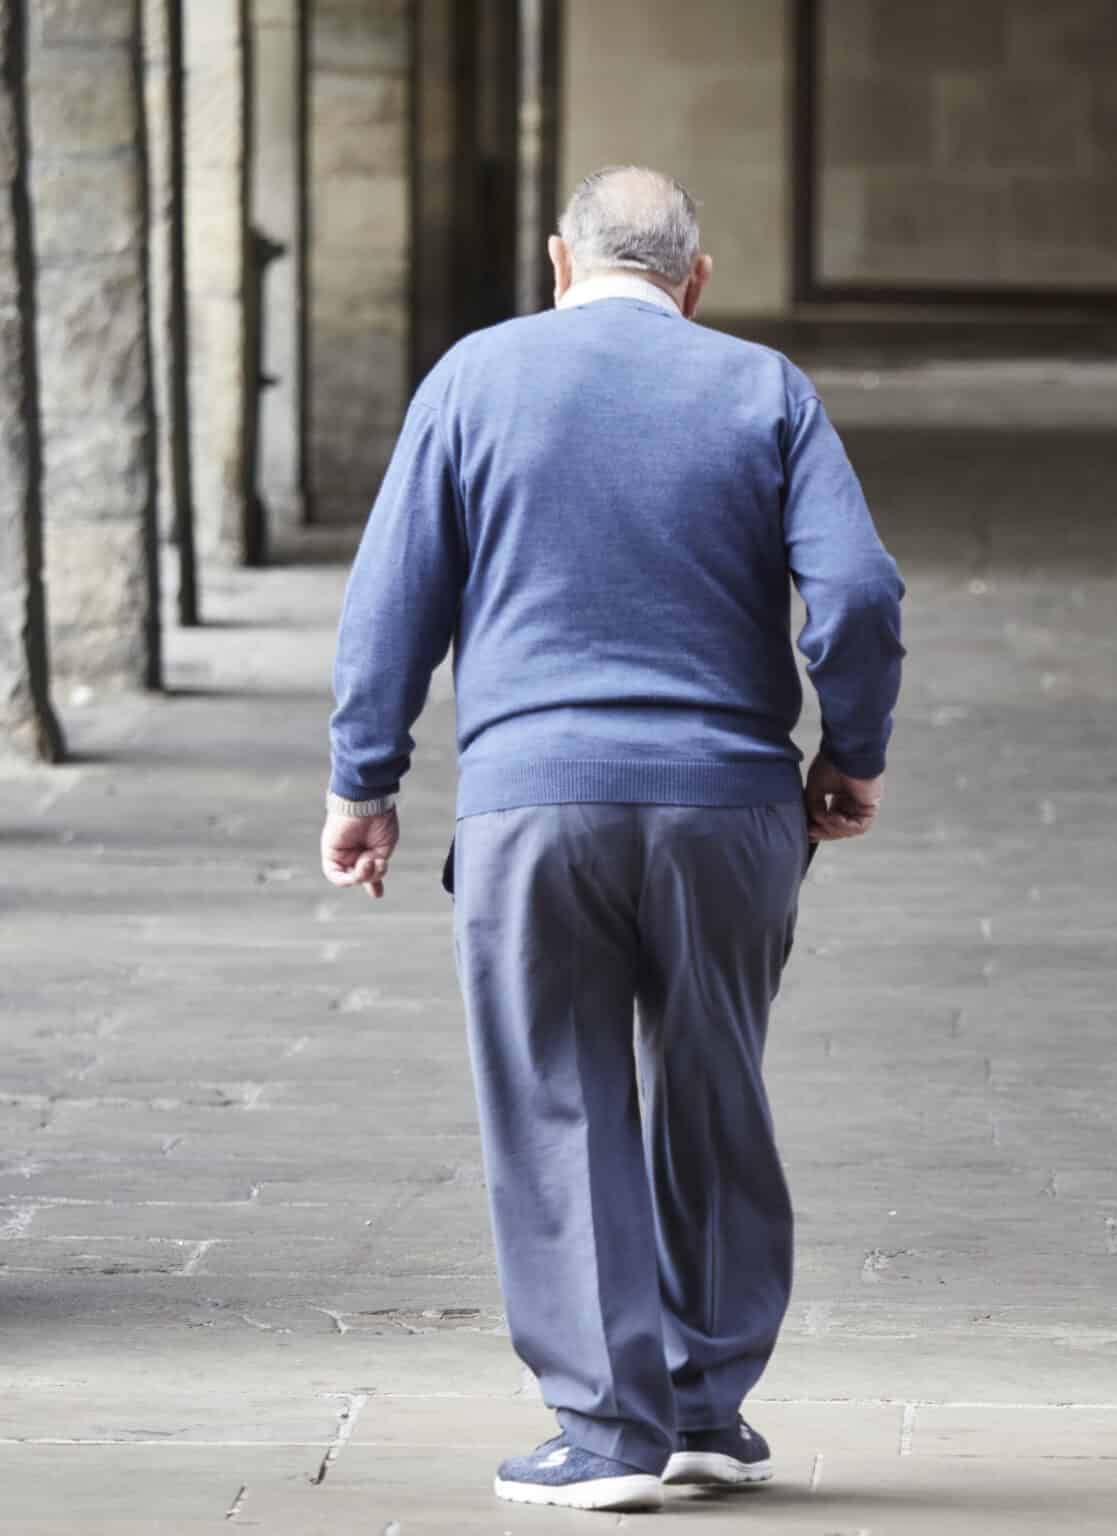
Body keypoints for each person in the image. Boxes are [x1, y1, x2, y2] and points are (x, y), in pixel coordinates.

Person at [319, 165, 904, 1513]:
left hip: (537, 807)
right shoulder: (766, 391)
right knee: (717, 1086)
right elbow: (859, 592)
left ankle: (606, 1429)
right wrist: (851, 756)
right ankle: (707, 1410)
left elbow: (390, 601)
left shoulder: (474, 379)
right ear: (694, 282)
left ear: (557, 264)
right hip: (729, 807)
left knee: (558, 1097)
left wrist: (365, 782)